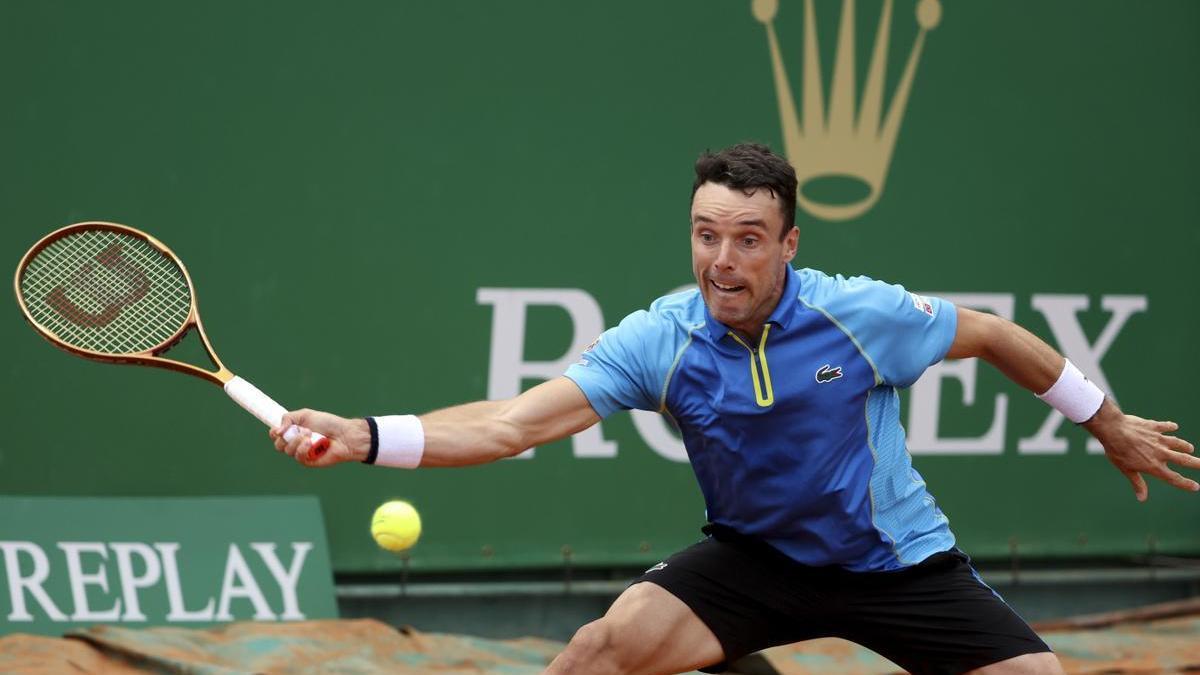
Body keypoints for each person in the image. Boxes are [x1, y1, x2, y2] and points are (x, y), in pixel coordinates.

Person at [270, 143, 1197, 675]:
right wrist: (362, 437)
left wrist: (1102, 418)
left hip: (894, 562)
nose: (723, 259)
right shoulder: (663, 336)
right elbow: (515, 421)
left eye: (748, 238)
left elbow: (993, 334)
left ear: (788, 243)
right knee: (595, 652)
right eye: (706, 234)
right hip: (751, 559)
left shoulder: (857, 314)